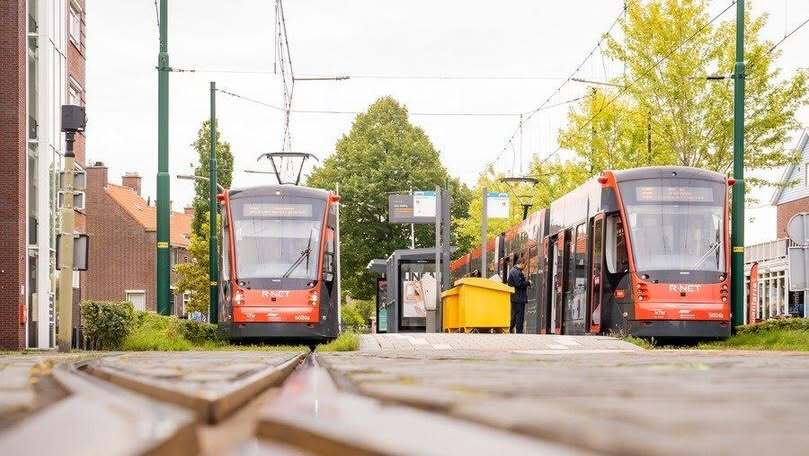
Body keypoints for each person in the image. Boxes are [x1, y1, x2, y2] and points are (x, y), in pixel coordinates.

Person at [506, 258, 530, 333]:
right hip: (518, 297)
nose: (525, 267)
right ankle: (518, 332)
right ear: (521, 263)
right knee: (519, 316)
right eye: (525, 265)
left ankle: (510, 329)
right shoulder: (516, 272)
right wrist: (528, 282)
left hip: (515, 297)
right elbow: (519, 284)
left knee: (514, 315)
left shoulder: (513, 271)